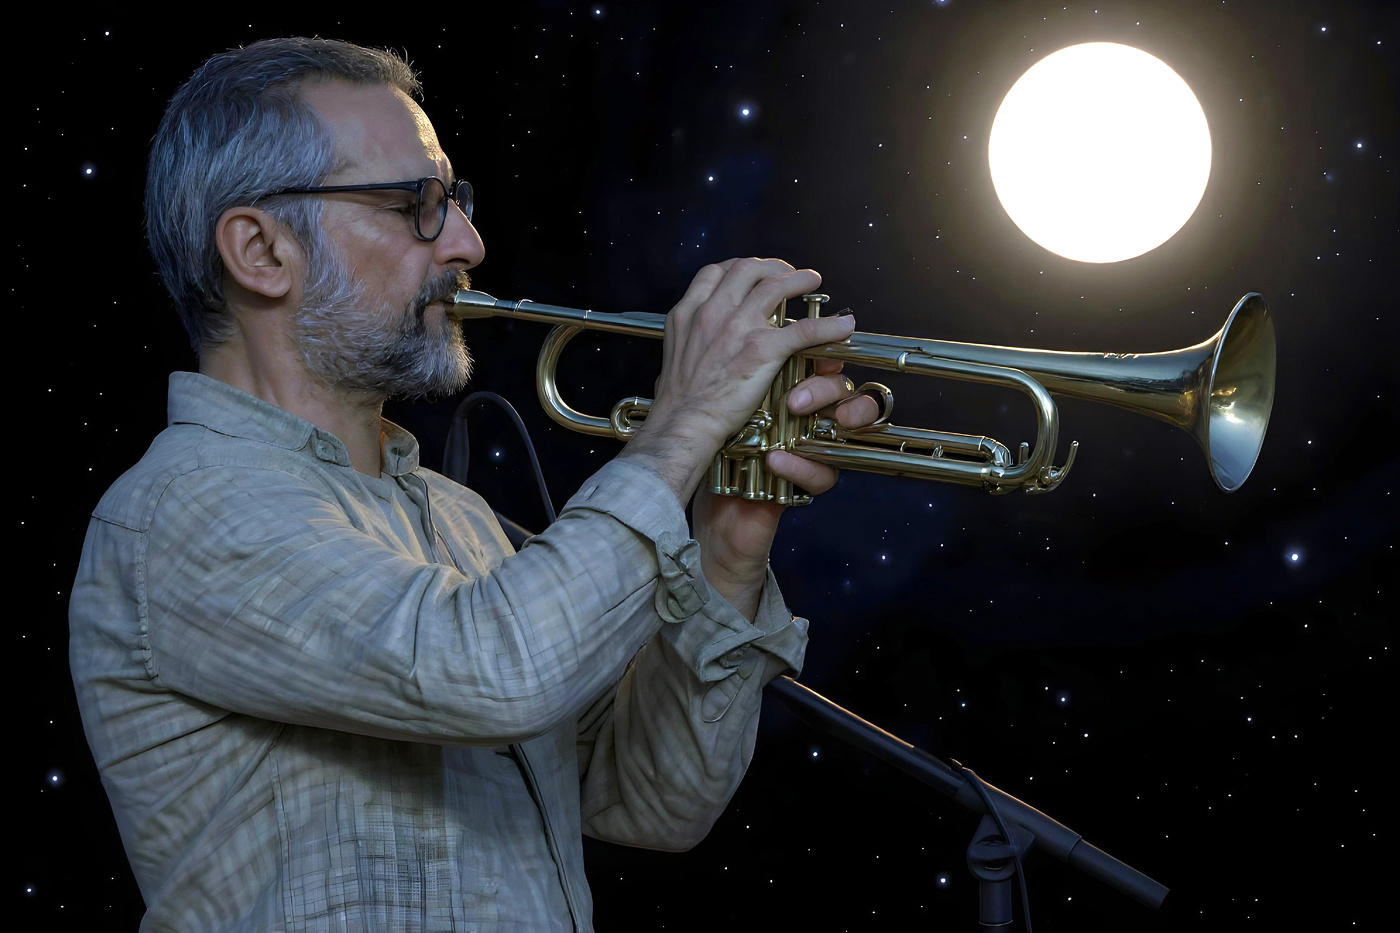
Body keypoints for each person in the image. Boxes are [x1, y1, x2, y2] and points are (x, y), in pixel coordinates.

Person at [69, 37, 875, 932]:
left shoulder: (461, 521)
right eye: (414, 203)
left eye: (455, 199)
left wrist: (726, 539)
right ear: (261, 251)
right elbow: (493, 668)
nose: (468, 242)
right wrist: (683, 424)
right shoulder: (183, 508)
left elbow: (652, 804)